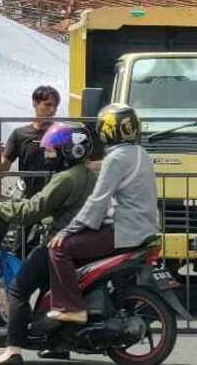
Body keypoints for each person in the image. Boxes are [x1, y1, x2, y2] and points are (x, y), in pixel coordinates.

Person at [0, 122, 97, 365]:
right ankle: (56, 344)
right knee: (46, 289)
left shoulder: (65, 179)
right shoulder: (87, 174)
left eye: (54, 150)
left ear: (71, 151)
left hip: (59, 240)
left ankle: (13, 350)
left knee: (19, 288)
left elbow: (33, 209)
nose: (49, 155)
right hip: (78, 238)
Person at [47, 104, 159, 324]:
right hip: (144, 228)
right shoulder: (141, 154)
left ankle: (71, 308)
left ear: (107, 130)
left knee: (59, 249)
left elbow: (98, 201)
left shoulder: (115, 159)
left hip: (124, 231)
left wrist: (68, 230)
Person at [0, 85, 63, 199]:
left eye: (55, 106)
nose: (52, 110)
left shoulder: (62, 134)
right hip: (29, 200)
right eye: (48, 105)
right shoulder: (20, 134)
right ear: (35, 103)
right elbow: (2, 170)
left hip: (57, 199)